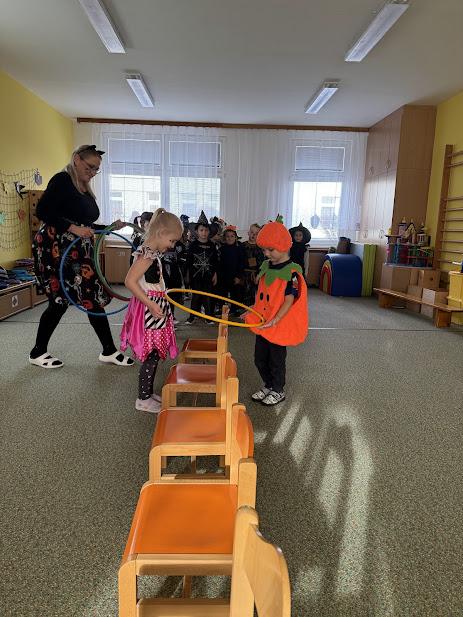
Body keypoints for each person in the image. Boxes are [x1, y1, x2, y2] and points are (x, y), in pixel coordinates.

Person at [30, 144, 134, 368]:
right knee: (59, 301)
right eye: (90, 167)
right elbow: (43, 211)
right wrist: (73, 229)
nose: (93, 172)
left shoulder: (84, 188)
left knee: (91, 297)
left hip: (78, 251)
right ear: (76, 159)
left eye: (96, 169)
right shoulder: (62, 180)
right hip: (55, 249)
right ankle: (38, 352)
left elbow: (85, 224)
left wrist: (109, 227)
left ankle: (108, 350)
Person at [121, 208, 183, 413]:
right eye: (172, 240)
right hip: (150, 309)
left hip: (156, 305)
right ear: (161, 233)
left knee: (155, 353)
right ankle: (143, 399)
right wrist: (150, 304)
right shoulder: (146, 254)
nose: (172, 245)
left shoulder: (151, 252)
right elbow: (129, 281)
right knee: (152, 353)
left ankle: (147, 393)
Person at [244, 215, 308, 406]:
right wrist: (252, 310)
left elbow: (289, 299)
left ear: (284, 246)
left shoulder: (292, 273)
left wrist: (277, 319)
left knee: (276, 361)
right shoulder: (266, 267)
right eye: (264, 249)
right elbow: (263, 296)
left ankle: (278, 390)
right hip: (263, 322)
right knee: (259, 359)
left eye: (270, 249)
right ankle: (269, 385)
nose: (266, 253)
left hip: (277, 324)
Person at [185, 213, 218, 325]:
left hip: (208, 276)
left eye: (206, 230)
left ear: (209, 232)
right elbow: (188, 261)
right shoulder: (193, 245)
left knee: (207, 296)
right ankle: (192, 317)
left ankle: (208, 317)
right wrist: (188, 275)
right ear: (197, 231)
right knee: (196, 296)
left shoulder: (212, 245)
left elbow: (215, 261)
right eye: (201, 230)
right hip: (196, 276)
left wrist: (215, 274)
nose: (204, 233)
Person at [218, 225, 246, 315]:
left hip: (235, 275)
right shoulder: (222, 249)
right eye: (227, 236)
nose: (230, 238)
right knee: (223, 293)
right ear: (224, 238)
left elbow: (242, 263)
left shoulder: (239, 248)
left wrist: (238, 276)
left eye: (232, 236)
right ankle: (222, 308)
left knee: (235, 293)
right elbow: (220, 263)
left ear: (236, 237)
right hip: (224, 275)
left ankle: (235, 309)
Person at [242, 223, 264, 306]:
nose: (253, 235)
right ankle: (243, 308)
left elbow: (262, 262)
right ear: (248, 232)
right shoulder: (242, 245)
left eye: (256, 233)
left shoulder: (260, 248)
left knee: (254, 293)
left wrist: (259, 274)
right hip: (244, 273)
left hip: (255, 274)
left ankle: (252, 308)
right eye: (252, 232)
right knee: (243, 292)